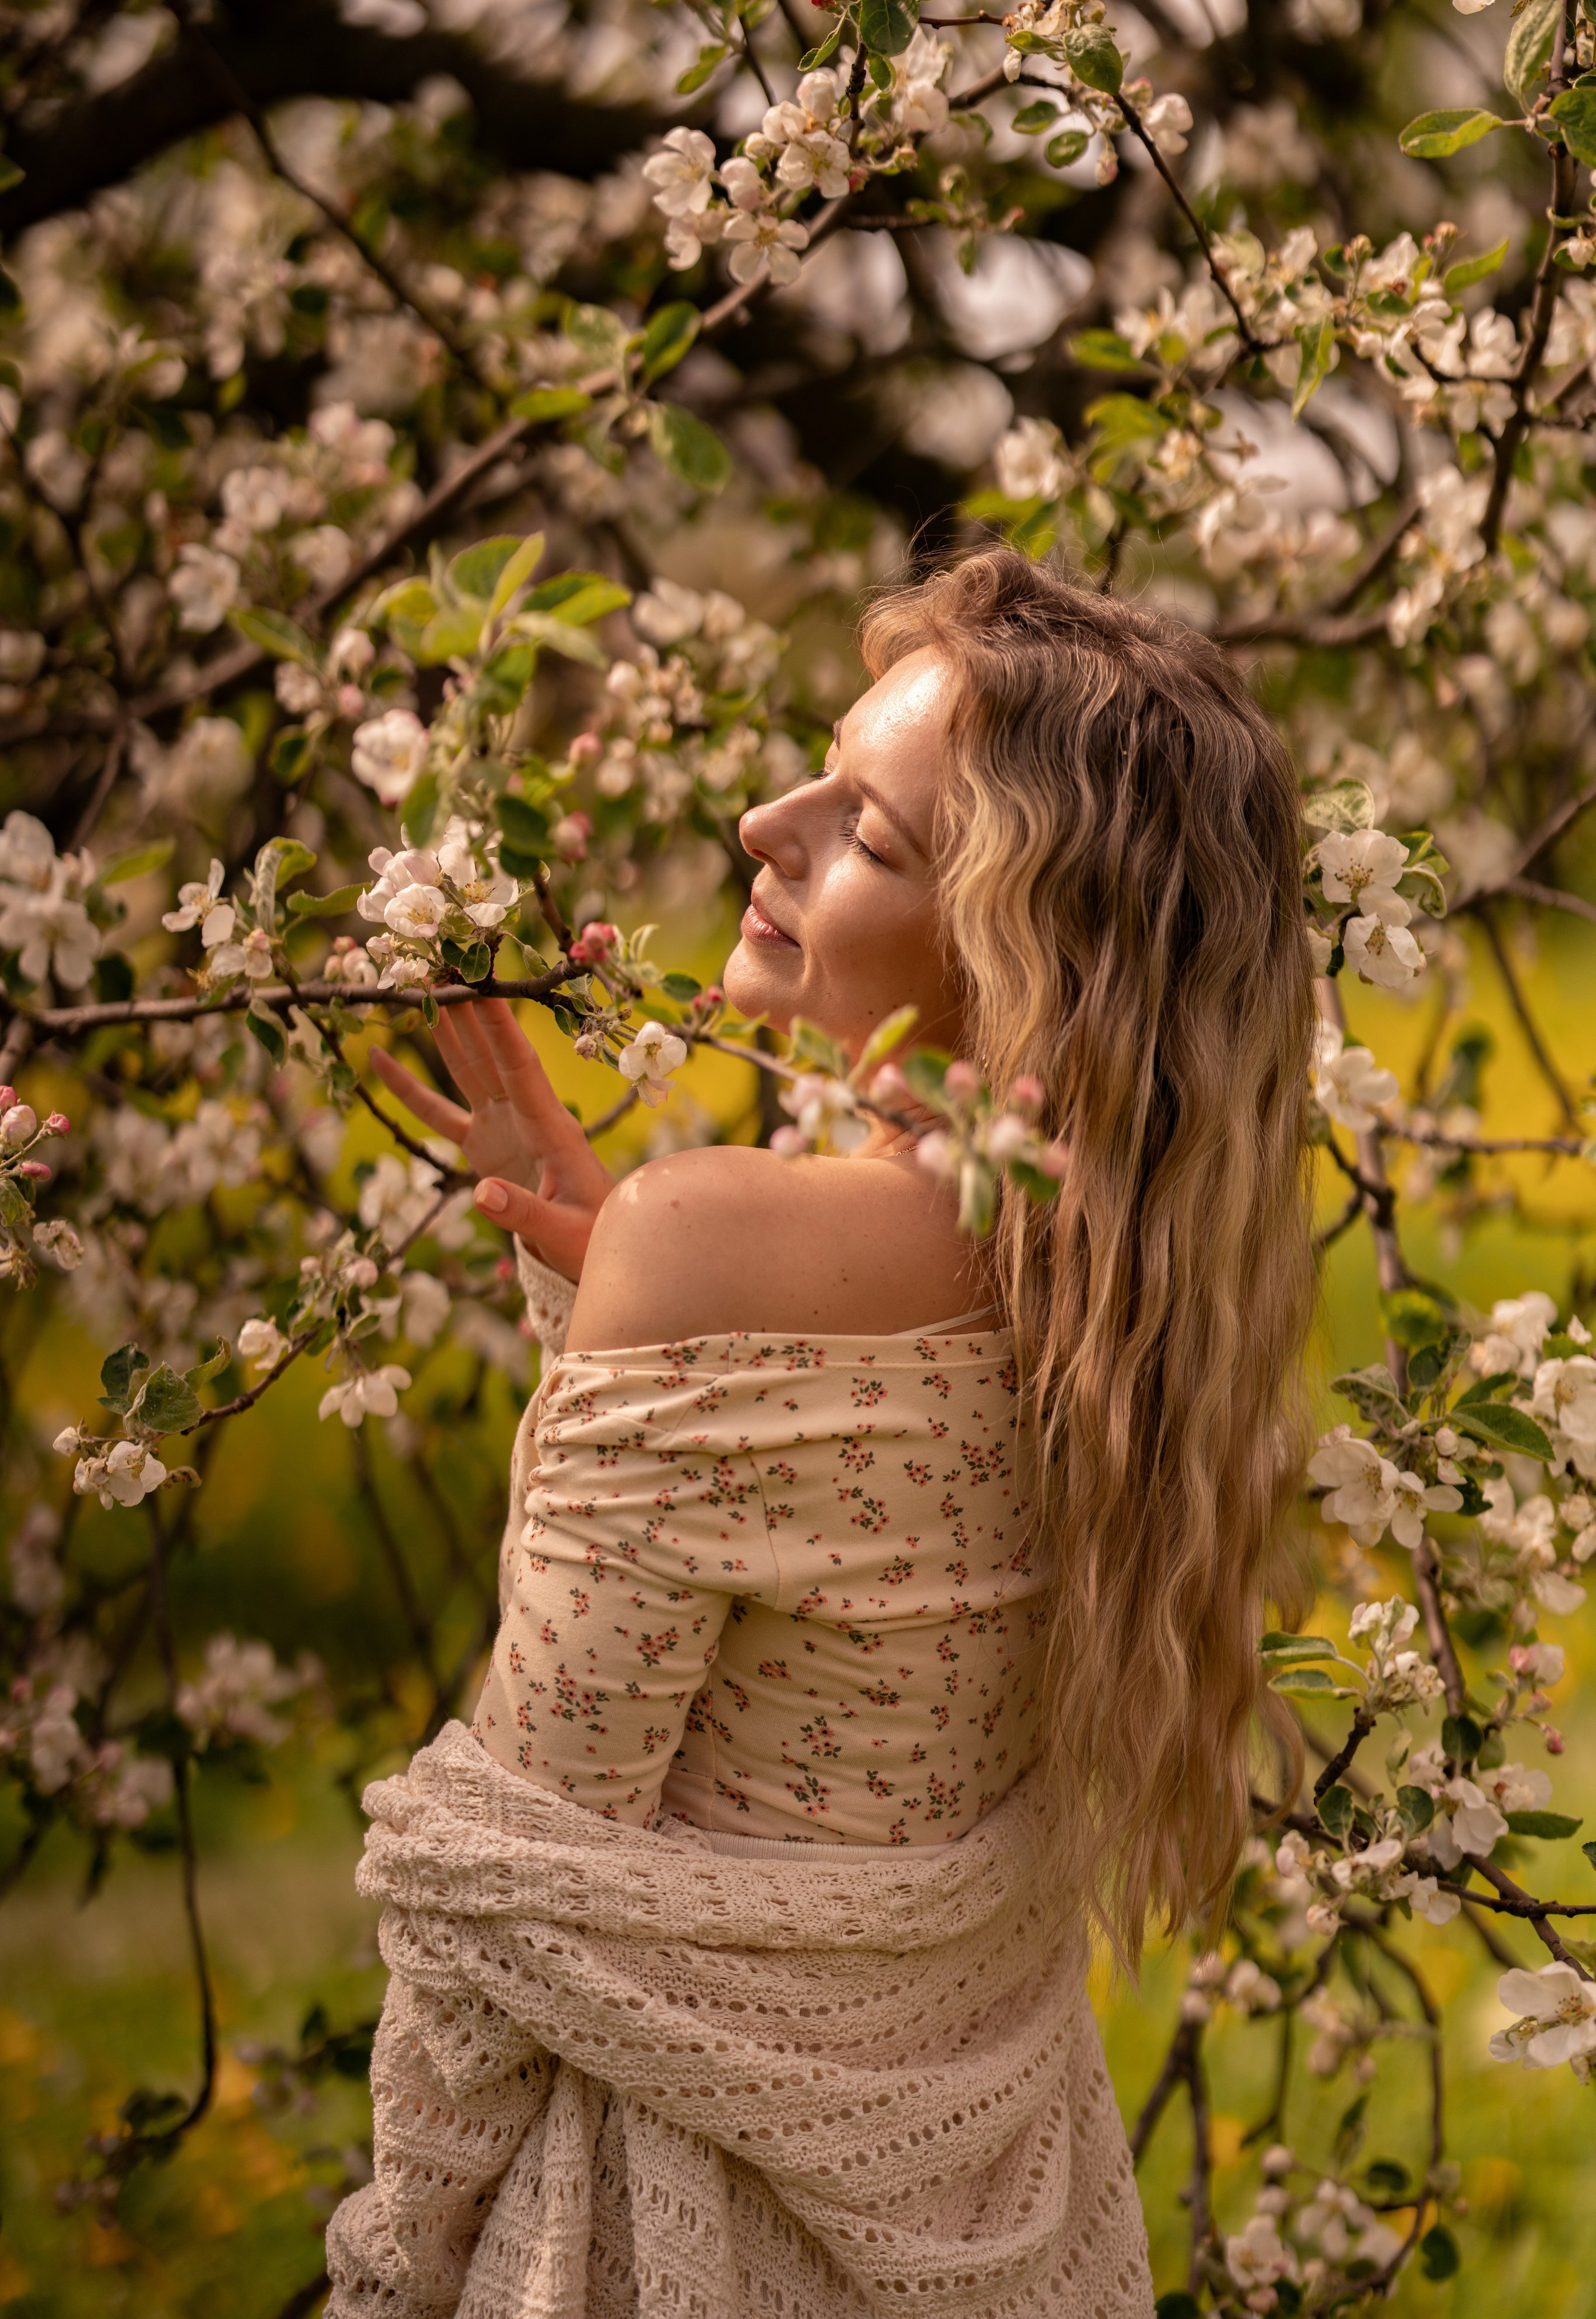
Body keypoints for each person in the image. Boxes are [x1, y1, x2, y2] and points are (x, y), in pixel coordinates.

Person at [329, 545, 1315, 2318]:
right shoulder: (1130, 1295)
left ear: (1024, 955)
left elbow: (503, 1885)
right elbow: (864, 1645)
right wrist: (611, 1309)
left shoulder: (718, 1244)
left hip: (681, 2236)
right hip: (1017, 2218)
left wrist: (395, 2265)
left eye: (869, 832)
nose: (761, 825)